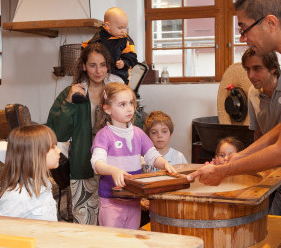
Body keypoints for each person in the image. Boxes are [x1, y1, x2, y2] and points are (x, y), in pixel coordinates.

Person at [187, 0, 281, 187]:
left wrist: (224, 171)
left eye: (244, 28)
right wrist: (241, 156)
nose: (242, 38)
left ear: (270, 23)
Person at [46, 43, 123, 225]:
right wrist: (68, 103)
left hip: (115, 165)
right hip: (83, 166)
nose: (98, 70)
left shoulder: (115, 91)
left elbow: (132, 120)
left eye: (103, 65)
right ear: (83, 66)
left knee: (115, 223)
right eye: (92, 65)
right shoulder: (72, 92)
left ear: (108, 67)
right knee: (85, 225)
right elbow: (58, 133)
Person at [90, 82, 176, 229]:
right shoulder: (104, 135)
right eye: (122, 104)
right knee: (113, 245)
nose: (129, 108)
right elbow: (96, 163)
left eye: (131, 103)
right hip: (111, 202)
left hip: (134, 200)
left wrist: (164, 163)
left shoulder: (138, 133)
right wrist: (113, 170)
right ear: (107, 109)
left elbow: (152, 155)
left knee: (133, 243)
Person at [242, 48, 281, 248]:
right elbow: (258, 134)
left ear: (274, 69)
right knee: (279, 227)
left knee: (274, 225)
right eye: (247, 69)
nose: (251, 75)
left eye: (257, 69)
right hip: (269, 169)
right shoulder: (251, 93)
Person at [0, 125, 61, 221]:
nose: (59, 150)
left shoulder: (44, 184)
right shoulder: (16, 197)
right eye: (53, 147)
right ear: (33, 155)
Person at [82, 7, 138, 84]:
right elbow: (85, 48)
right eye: (120, 28)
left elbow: (132, 57)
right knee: (85, 84)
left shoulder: (126, 40)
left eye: (125, 28)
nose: (123, 31)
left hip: (117, 75)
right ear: (108, 26)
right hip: (99, 74)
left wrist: (124, 62)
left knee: (114, 91)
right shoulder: (99, 37)